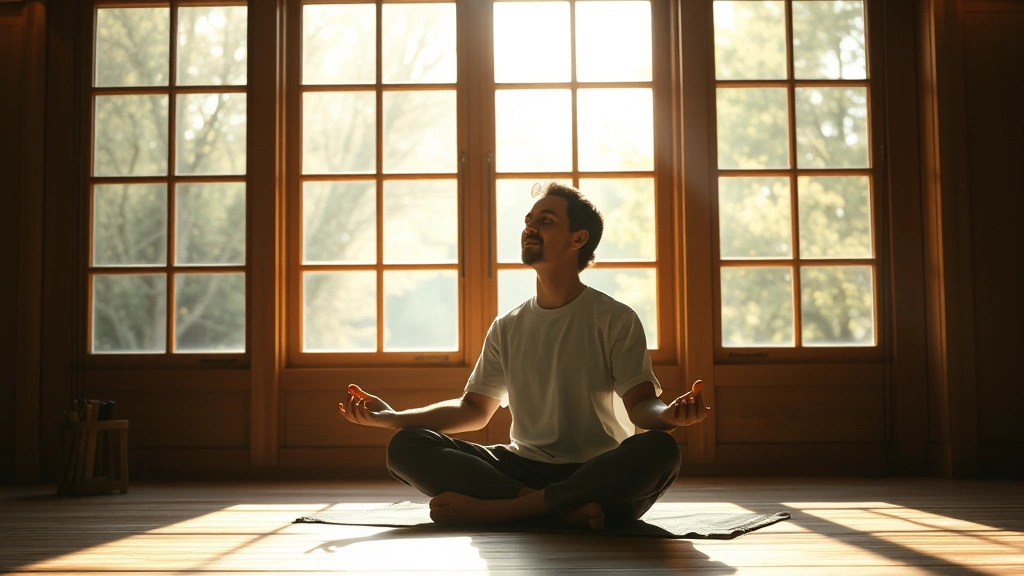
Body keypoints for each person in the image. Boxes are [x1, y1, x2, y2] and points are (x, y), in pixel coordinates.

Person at [338, 182, 710, 529]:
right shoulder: (508, 325)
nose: (529, 228)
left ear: (577, 238)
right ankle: (553, 510)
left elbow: (642, 405)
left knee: (660, 449)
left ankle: (503, 511)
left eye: (545, 221)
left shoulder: (615, 318)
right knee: (406, 445)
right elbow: (473, 411)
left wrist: (670, 415)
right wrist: (392, 419)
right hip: (521, 469)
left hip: (595, 472)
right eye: (529, 221)